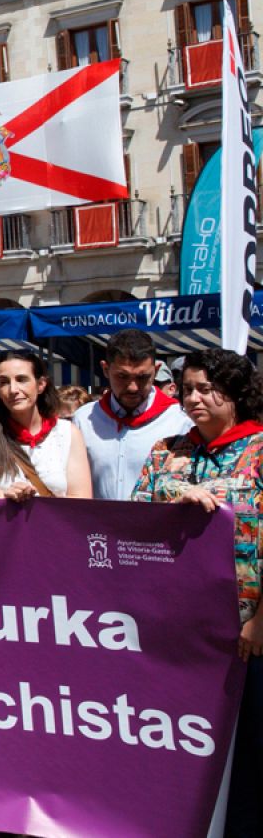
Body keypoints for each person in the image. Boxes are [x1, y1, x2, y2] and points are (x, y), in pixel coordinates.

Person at [130, 349, 263, 834]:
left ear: (236, 392)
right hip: (176, 621)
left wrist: (260, 618)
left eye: (208, 388)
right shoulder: (167, 450)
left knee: (248, 742)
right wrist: (174, 500)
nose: (194, 398)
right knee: (180, 733)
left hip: (244, 622)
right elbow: (134, 518)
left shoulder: (260, 450)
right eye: (187, 388)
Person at [76, 329, 192, 501]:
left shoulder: (180, 421)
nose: (132, 387)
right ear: (105, 369)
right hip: (97, 526)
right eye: (122, 376)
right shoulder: (83, 420)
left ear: (156, 370)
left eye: (142, 377)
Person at [0, 350, 91, 500]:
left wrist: (33, 500)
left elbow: (82, 500)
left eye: (21, 380)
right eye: (4, 382)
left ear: (40, 385)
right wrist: (4, 498)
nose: (13, 390)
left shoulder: (68, 433)